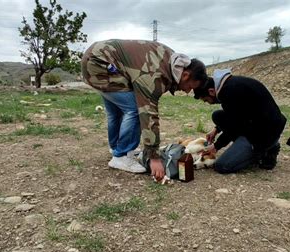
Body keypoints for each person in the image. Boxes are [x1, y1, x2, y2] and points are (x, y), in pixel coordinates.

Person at [81, 39, 207, 178]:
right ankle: (121, 156)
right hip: (99, 64)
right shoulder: (155, 75)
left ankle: (117, 149)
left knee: (116, 111)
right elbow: (148, 113)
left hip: (100, 58)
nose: (188, 91)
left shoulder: (172, 61)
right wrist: (154, 157)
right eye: (190, 86)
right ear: (185, 75)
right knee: (134, 108)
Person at [193, 69, 287, 173]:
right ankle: (255, 147)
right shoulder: (230, 85)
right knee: (217, 115)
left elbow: (234, 125)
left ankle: (267, 149)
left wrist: (216, 146)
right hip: (258, 123)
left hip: (264, 134)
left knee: (222, 166)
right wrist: (216, 129)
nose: (208, 103)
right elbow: (236, 116)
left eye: (206, 100)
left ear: (211, 91)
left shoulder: (230, 92)